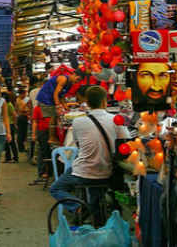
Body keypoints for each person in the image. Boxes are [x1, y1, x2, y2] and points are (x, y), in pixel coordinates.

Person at [50, 86, 130, 226]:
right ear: (104, 101)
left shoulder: (78, 122)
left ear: (87, 102)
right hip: (107, 171)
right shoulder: (116, 121)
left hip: (83, 172)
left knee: (56, 188)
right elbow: (127, 144)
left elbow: (79, 145)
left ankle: (80, 208)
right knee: (95, 195)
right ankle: (96, 220)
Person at [36, 69, 86, 143]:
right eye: (77, 79)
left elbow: (62, 95)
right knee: (53, 117)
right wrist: (58, 106)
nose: (77, 82)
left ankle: (52, 138)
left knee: (56, 117)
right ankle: (51, 138)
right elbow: (56, 93)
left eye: (79, 81)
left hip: (50, 98)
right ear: (74, 74)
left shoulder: (69, 83)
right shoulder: (63, 79)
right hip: (45, 98)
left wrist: (65, 106)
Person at [30, 96, 51, 184]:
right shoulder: (37, 109)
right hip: (42, 131)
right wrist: (34, 134)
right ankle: (42, 172)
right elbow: (35, 121)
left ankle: (49, 171)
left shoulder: (50, 108)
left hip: (50, 131)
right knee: (42, 151)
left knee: (48, 151)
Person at [4, 92, 18, 163]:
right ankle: (8, 157)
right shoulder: (4, 105)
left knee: (12, 142)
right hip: (5, 125)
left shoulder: (9, 105)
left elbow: (14, 115)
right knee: (6, 142)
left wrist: (14, 123)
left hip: (10, 124)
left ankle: (15, 157)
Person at [15, 89, 31, 153]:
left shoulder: (20, 100)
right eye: (24, 94)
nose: (25, 95)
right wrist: (28, 109)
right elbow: (21, 109)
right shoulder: (19, 100)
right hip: (21, 118)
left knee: (22, 133)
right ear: (21, 94)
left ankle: (21, 147)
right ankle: (21, 147)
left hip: (22, 117)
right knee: (21, 133)